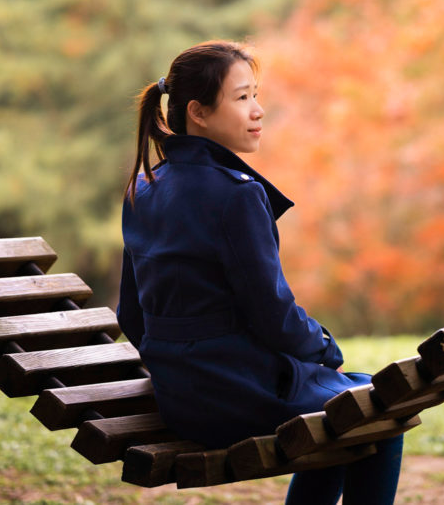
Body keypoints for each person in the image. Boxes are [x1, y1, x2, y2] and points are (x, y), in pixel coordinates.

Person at [117, 40, 403, 504]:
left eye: (256, 95)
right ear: (199, 113)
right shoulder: (236, 195)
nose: (259, 110)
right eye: (243, 97)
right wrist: (325, 348)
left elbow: (131, 314)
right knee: (380, 411)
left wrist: (178, 365)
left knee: (355, 403)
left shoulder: (143, 191)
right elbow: (272, 312)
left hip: (182, 399)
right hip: (233, 391)